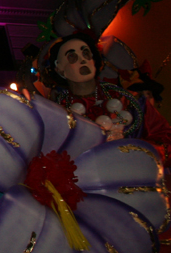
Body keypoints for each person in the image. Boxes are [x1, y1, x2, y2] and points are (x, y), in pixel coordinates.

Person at [46, 33, 171, 166]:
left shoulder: (130, 101)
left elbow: (166, 141)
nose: (82, 60)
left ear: (94, 60)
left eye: (86, 53)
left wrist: (134, 151)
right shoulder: (58, 114)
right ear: (59, 68)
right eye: (72, 56)